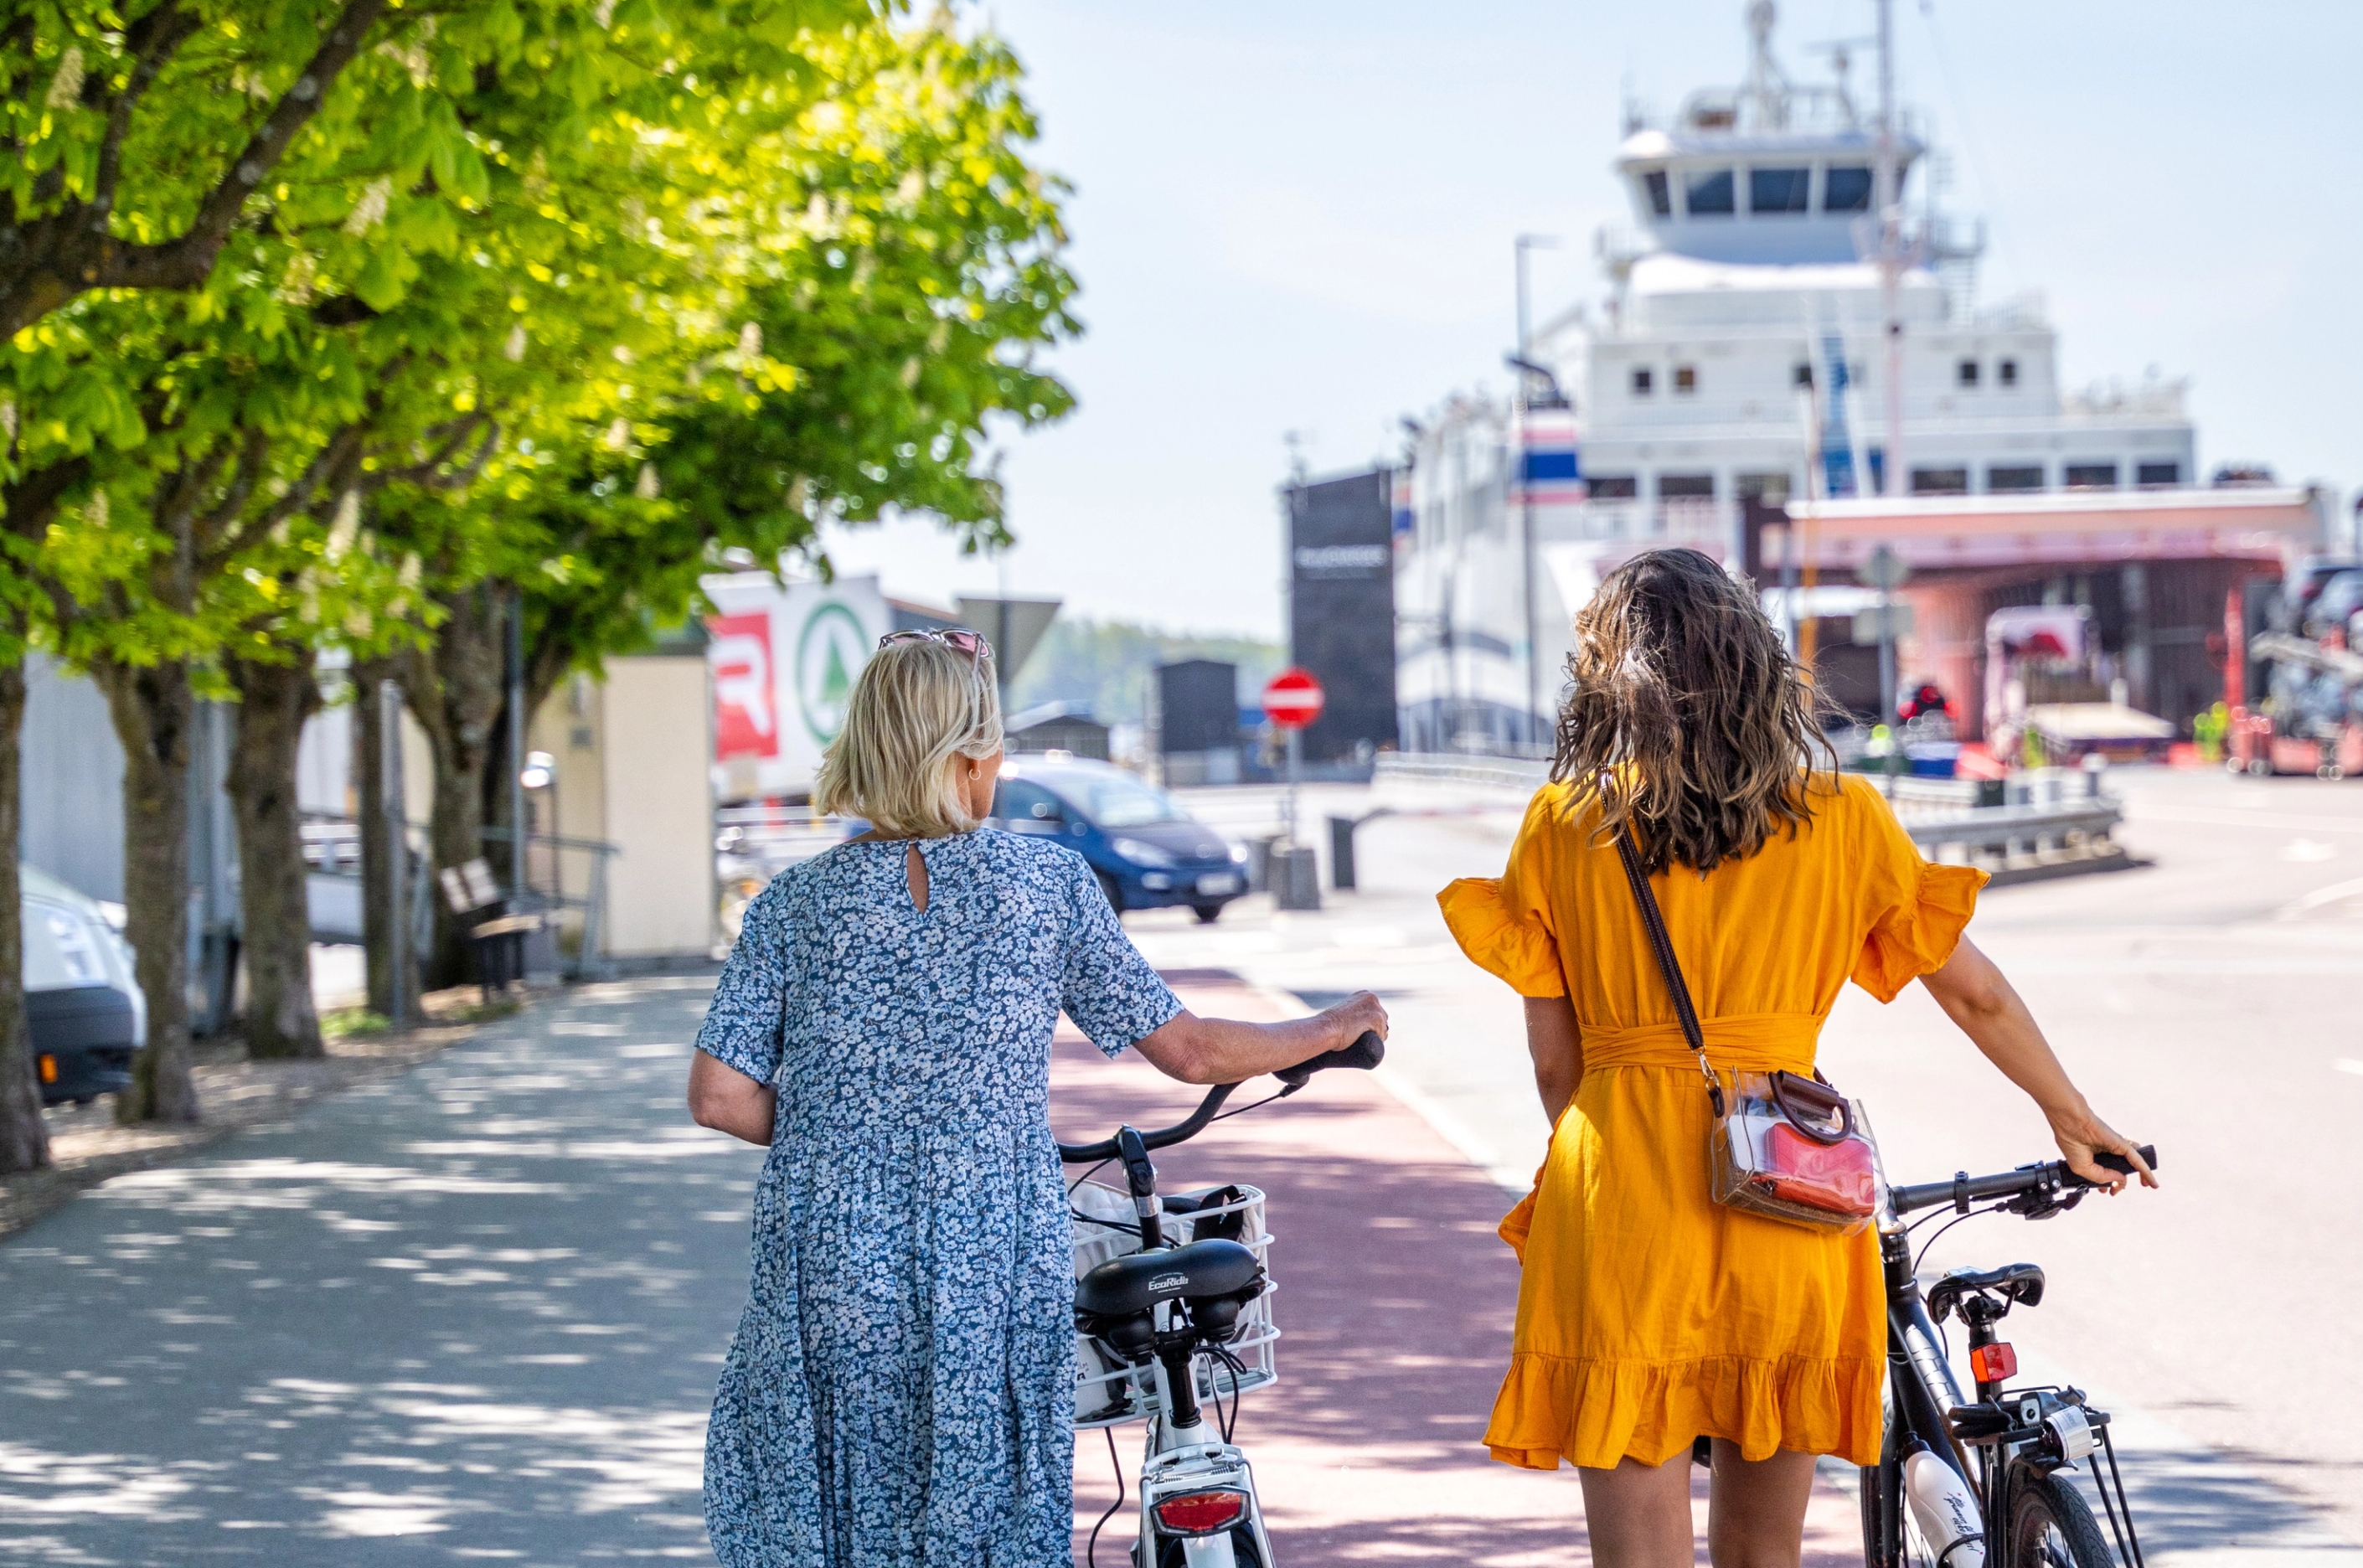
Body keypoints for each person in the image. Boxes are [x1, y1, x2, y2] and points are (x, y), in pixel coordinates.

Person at [1439, 548, 2149, 1568]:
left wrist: (1620, 1165)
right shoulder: (1842, 818)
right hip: (1788, 1184)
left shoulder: (1565, 824)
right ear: (1757, 665)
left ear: (1609, 679)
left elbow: (1560, 1075)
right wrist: (2074, 1120)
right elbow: (1977, 992)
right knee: (1763, 1550)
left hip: (1624, 1193)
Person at [684, 629, 1386, 1565]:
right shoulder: (1045, 883)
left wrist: (852, 1127)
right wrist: (1327, 1028)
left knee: (832, 1509)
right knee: (984, 1513)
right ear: (970, 756)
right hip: (988, 1261)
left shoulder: (791, 903)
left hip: (827, 1265)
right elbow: (1185, 1050)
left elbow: (719, 1097)